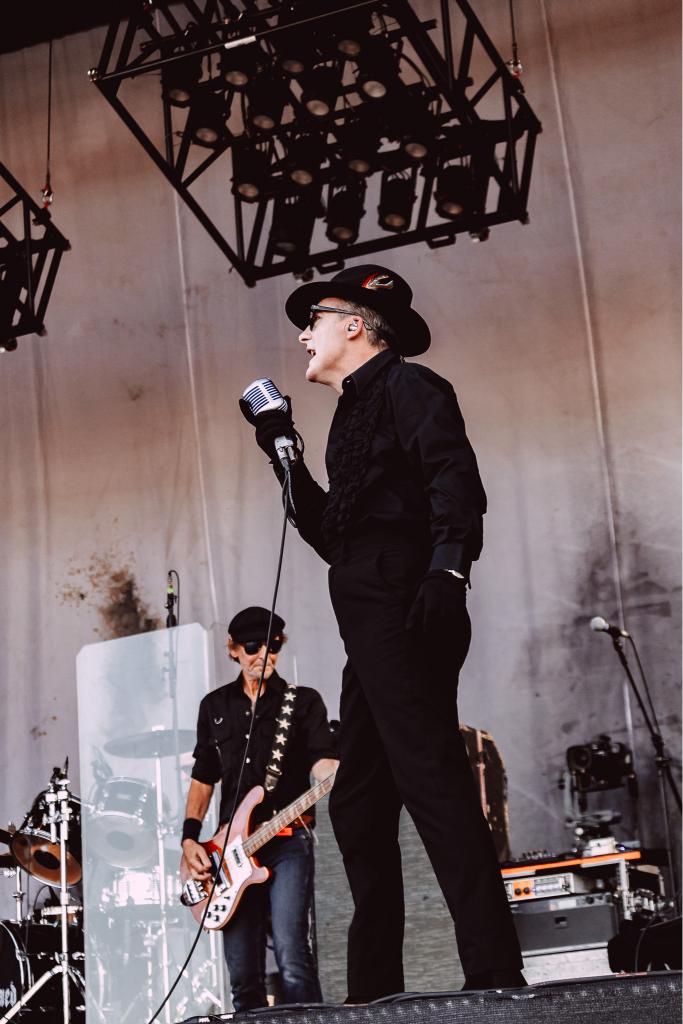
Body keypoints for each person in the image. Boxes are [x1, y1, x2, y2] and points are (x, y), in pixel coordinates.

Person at [241, 265, 525, 1001]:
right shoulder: (348, 418)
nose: (302, 336)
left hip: (405, 601)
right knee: (358, 800)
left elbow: (454, 480)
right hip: (367, 611)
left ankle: (494, 967)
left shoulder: (411, 387)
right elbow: (334, 535)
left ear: (355, 324)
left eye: (313, 320)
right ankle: (371, 990)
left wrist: (448, 571)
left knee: (429, 774)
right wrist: (281, 448)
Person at [181, 605, 338, 1011]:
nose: (263, 654)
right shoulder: (214, 707)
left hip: (288, 840)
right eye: (252, 646)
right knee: (242, 973)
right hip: (230, 852)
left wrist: (335, 771)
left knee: (292, 954)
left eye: (273, 645)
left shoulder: (302, 702)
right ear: (232, 649)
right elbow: (203, 778)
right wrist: (189, 839)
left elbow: (322, 760)